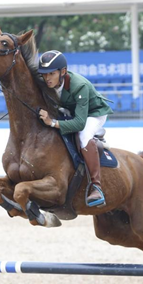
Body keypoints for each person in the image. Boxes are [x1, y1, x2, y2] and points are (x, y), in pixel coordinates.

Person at [37, 50, 113, 208]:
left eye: (51, 74)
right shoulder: (47, 82)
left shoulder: (79, 86)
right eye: (44, 74)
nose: (47, 78)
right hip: (70, 109)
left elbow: (79, 123)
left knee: (83, 135)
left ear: (63, 71)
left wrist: (52, 122)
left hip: (93, 113)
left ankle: (96, 187)